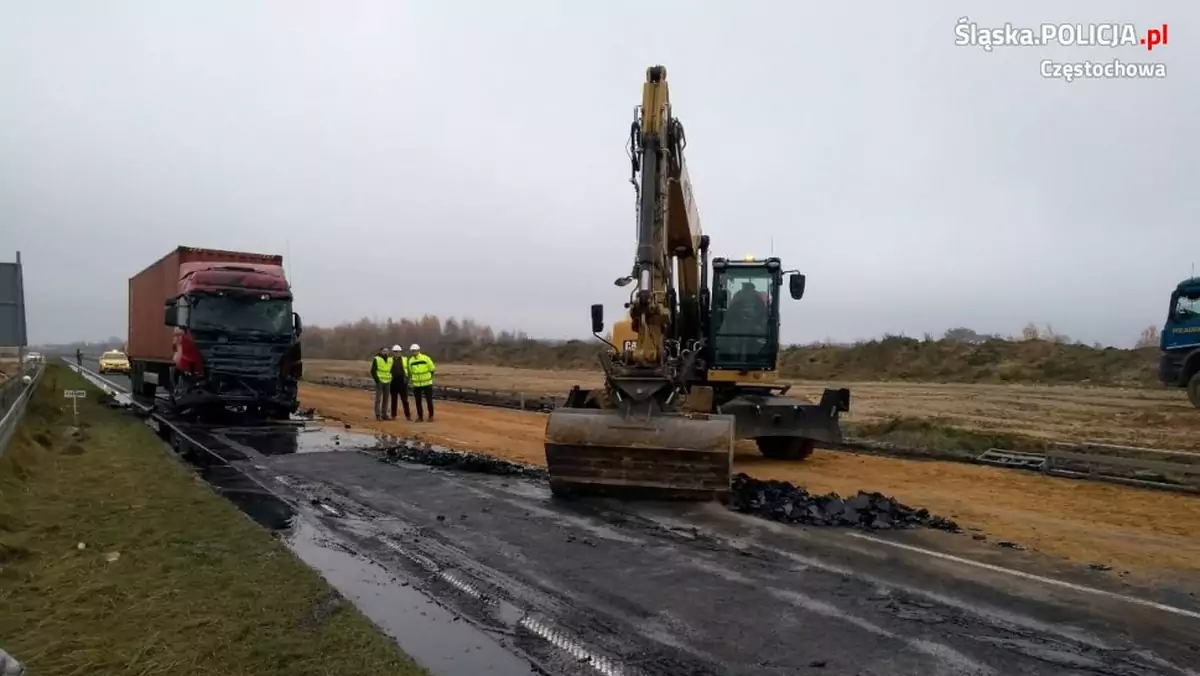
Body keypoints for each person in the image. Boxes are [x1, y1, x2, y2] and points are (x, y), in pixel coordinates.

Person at [406, 343, 436, 422]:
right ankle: (420, 416)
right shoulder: (410, 361)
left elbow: (432, 369)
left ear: (418, 350)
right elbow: (410, 372)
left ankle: (431, 415)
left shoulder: (425, 358)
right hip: (416, 384)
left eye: (415, 351)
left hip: (427, 383)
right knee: (418, 402)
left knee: (429, 400)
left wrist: (429, 377)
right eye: (412, 351)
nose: (414, 352)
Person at [369, 346, 395, 420]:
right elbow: (373, 371)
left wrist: (391, 378)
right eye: (384, 351)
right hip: (380, 381)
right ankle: (378, 414)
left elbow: (392, 370)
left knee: (386, 399)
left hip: (388, 381)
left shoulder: (390, 360)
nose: (385, 352)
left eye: (387, 351)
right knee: (378, 399)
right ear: (381, 352)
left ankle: (384, 414)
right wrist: (377, 379)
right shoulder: (377, 359)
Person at [389, 343, 411, 421]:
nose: (397, 353)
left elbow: (409, 370)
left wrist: (407, 379)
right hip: (393, 382)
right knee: (393, 400)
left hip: (402, 382)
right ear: (393, 352)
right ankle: (393, 415)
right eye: (395, 351)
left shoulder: (405, 360)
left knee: (405, 400)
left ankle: (408, 416)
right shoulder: (390, 360)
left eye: (398, 351)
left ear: (400, 352)